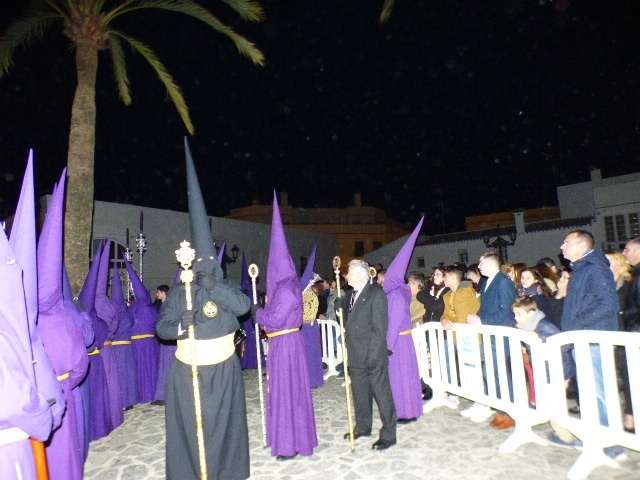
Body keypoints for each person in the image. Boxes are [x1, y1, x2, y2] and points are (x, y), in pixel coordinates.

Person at [156, 139, 251, 479]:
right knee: (192, 429)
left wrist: (216, 288)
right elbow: (161, 328)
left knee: (223, 427)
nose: (206, 267)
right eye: (202, 262)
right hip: (189, 370)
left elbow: (243, 307)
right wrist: (181, 326)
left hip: (223, 368)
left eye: (212, 262)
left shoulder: (225, 287)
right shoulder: (180, 292)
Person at [255, 192, 318, 460]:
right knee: (291, 391)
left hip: (285, 345)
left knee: (286, 391)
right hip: (287, 342)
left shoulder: (285, 289)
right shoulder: (290, 286)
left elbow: (273, 319)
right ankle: (295, 439)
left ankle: (289, 443)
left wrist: (257, 312)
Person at [560, 229, 624, 460]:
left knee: (599, 391)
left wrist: (576, 325)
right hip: (583, 339)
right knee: (590, 392)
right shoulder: (582, 269)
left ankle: (611, 444)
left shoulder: (594, 268)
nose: (562, 247)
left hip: (593, 340)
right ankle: (595, 436)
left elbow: (608, 304)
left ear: (580, 245)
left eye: (566, 242)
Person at [341, 258, 397, 450]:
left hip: (372, 355)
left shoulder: (376, 294)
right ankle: (363, 427)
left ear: (359, 275)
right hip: (355, 354)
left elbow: (380, 329)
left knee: (382, 395)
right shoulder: (350, 295)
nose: (346, 275)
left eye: (349, 272)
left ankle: (389, 435)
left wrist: (372, 356)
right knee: (360, 394)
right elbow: (347, 317)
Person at [465, 251, 517, 426]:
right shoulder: (487, 282)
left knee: (499, 372)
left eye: (481, 263)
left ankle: (508, 413)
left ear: (491, 263)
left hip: (502, 333)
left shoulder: (503, 282)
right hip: (490, 333)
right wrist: (477, 317)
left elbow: (506, 311)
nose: (478, 266)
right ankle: (498, 406)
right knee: (490, 371)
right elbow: (486, 308)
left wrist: (481, 320)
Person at [383, 218, 424, 423]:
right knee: (405, 375)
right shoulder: (400, 292)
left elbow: (394, 321)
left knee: (401, 377)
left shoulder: (396, 295)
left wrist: (388, 345)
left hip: (398, 341)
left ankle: (406, 411)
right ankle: (409, 409)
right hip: (402, 339)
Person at [153, 283, 175, 405]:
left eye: (158, 292)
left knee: (167, 367)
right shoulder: (162, 305)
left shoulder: (168, 306)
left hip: (169, 342)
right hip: (165, 341)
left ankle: (166, 396)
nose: (156, 294)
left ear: (163, 293)